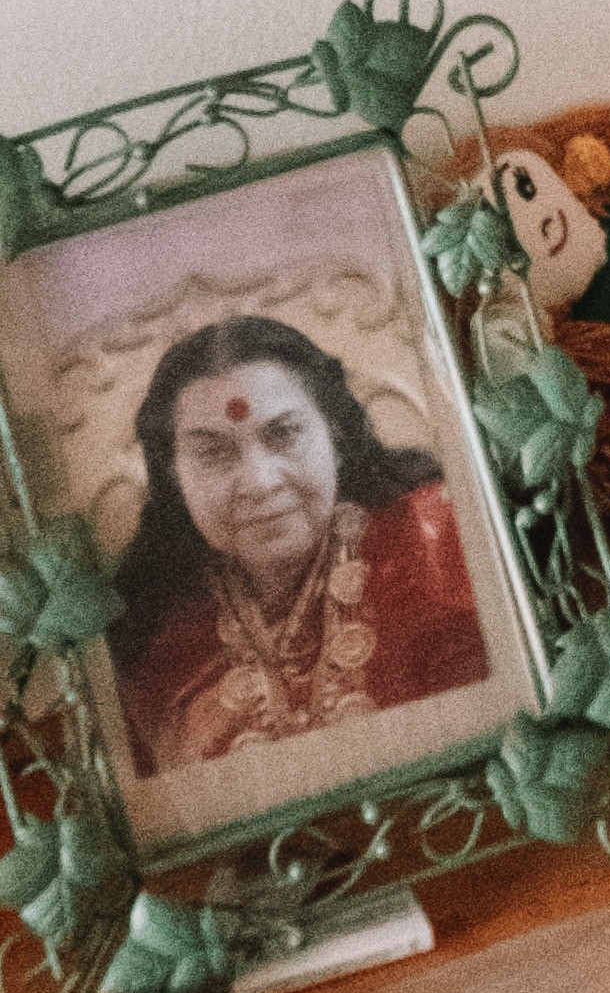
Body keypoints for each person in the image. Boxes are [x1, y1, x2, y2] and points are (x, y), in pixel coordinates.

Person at [105, 316, 491, 780]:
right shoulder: (147, 639)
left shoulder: (447, 547)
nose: (260, 482)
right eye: (213, 452)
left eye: (284, 434)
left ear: (336, 436)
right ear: (172, 476)